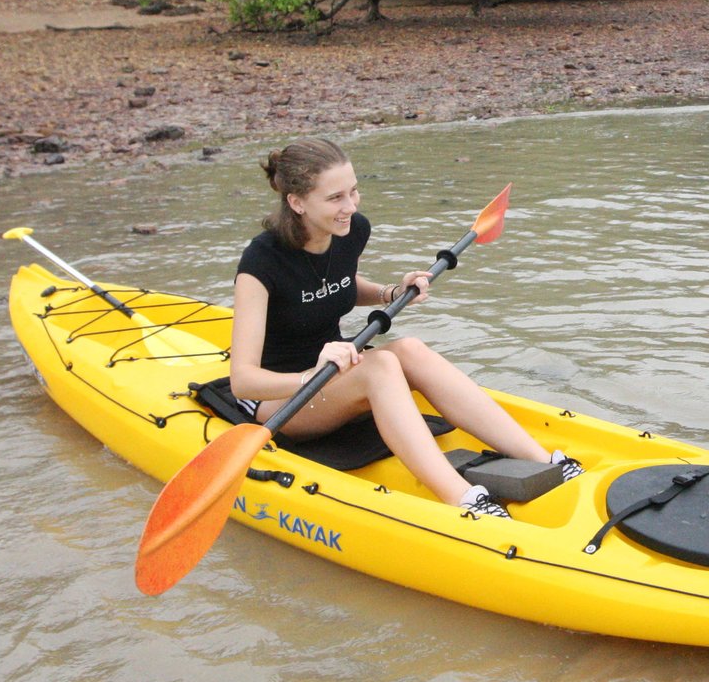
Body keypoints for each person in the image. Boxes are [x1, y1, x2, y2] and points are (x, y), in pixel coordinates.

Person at [229, 137, 578, 519]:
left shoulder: (351, 231)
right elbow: (243, 381)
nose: (350, 207)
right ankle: (462, 498)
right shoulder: (261, 263)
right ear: (297, 203)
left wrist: (391, 292)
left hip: (335, 373)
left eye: (354, 191)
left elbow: (338, 284)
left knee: (409, 348)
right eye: (335, 199)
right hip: (281, 400)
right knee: (379, 366)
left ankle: (544, 460)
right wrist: (309, 376)